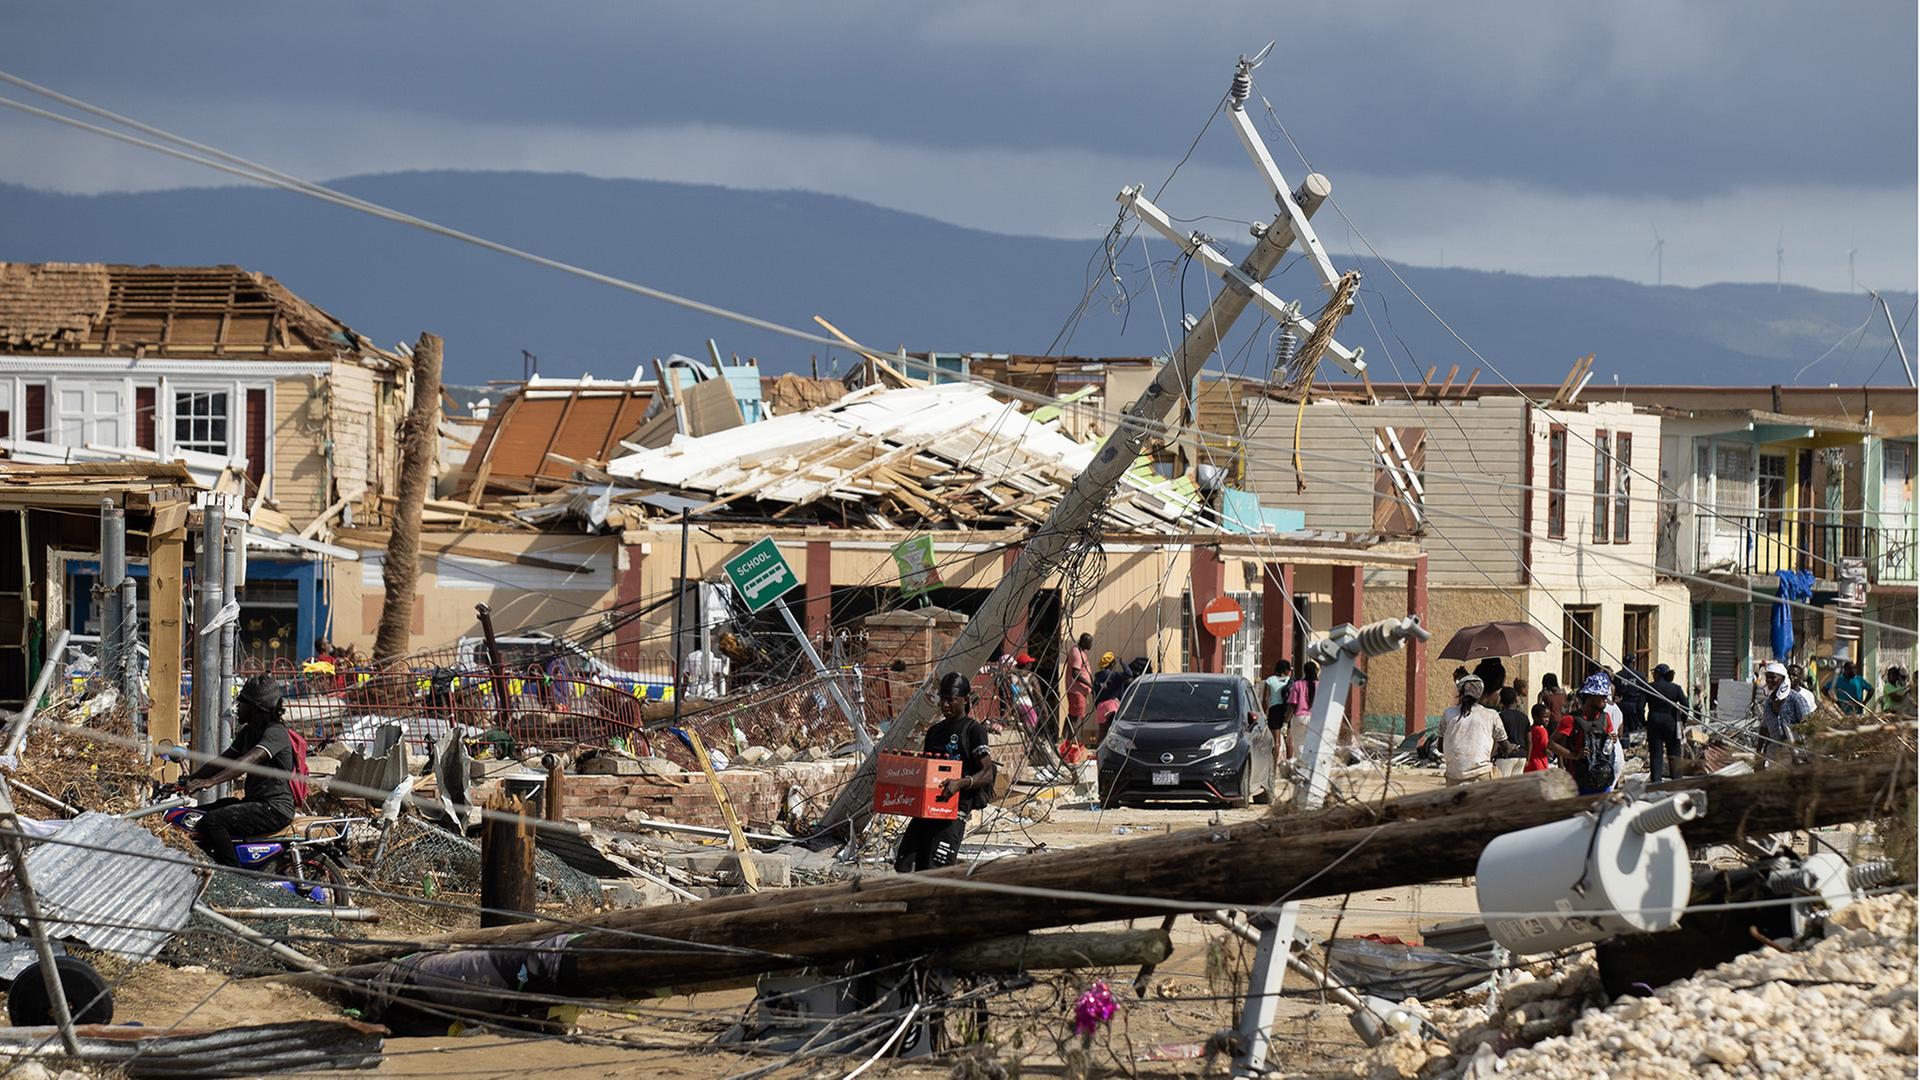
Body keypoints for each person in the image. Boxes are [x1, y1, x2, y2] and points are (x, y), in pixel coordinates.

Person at [175, 676, 299, 867]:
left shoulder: (275, 732)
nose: (238, 708)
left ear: (256, 708)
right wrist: (188, 780)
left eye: (242, 703)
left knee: (213, 821)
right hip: (255, 803)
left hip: (274, 809)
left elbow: (246, 762)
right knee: (194, 814)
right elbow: (222, 761)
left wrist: (210, 782)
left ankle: (233, 876)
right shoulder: (248, 733)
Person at [895, 672, 998, 873]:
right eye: (942, 699)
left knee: (938, 870)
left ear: (965, 700)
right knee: (906, 864)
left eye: (951, 700)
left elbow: (987, 773)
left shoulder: (973, 730)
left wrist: (960, 783)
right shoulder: (934, 731)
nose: (945, 705)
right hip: (926, 811)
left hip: (953, 812)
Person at [1549, 673, 1618, 795]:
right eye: (1602, 697)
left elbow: (1608, 745)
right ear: (1591, 696)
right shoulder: (1570, 720)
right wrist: (1574, 755)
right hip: (1579, 782)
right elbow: (1551, 744)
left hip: (1603, 780)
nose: (1605, 701)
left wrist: (1612, 739)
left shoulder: (1605, 718)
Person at [1439, 674, 1515, 786]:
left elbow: (1440, 747)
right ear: (1481, 694)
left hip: (1453, 776)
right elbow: (1505, 747)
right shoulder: (1491, 715)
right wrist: (1511, 748)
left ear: (1460, 693)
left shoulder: (1448, 713)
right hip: (1481, 774)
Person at [1643, 663, 1690, 784]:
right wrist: (1682, 721)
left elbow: (1639, 707)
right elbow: (1686, 705)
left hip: (1654, 721)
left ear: (1658, 674)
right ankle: (1676, 781)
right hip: (1671, 722)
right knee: (1674, 754)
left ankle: (1656, 782)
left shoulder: (1650, 687)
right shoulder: (1676, 688)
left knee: (1656, 755)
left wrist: (1644, 722)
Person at [1758, 661, 1806, 766]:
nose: (1769, 680)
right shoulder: (1769, 702)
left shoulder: (1795, 699)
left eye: (1773, 677)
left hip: (1795, 754)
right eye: (1767, 677)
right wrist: (1758, 753)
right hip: (1774, 752)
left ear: (1783, 679)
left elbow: (1807, 725)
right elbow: (1764, 728)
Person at [1281, 659, 1319, 763]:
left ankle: (1303, 766)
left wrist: (1285, 723)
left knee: (1300, 745)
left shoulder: (1298, 685)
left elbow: (1292, 705)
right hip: (1315, 718)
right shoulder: (1320, 685)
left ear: (1304, 671)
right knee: (1313, 745)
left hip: (1299, 718)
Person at [1493, 687, 1530, 777]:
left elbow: (1498, 738)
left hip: (1505, 756)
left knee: (1502, 783)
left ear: (1501, 700)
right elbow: (1529, 741)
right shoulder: (1524, 717)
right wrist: (1527, 758)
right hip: (1521, 756)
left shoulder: (1500, 716)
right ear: (1515, 700)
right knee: (1516, 784)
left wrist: (1491, 755)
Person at [1262, 660, 1293, 765]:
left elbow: (1266, 699)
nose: (1289, 672)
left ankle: (1274, 766)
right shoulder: (1289, 680)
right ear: (1285, 670)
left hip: (1274, 711)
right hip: (1286, 711)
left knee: (1276, 742)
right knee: (1288, 740)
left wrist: (1264, 713)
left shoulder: (1270, 680)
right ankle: (1289, 764)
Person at [1065, 633, 1095, 732]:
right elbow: (1075, 673)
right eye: (1090, 642)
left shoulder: (1080, 652)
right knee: (1075, 716)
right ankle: (1070, 739)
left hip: (1080, 691)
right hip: (1076, 691)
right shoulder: (1076, 652)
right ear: (1084, 642)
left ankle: (1066, 738)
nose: (1091, 644)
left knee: (1074, 715)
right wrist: (1089, 684)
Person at [1615, 661, 1648, 747]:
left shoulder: (1618, 675)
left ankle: (1625, 746)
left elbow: (1615, 691)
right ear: (1633, 663)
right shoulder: (1640, 676)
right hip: (1636, 705)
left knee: (1624, 728)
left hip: (1622, 705)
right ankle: (1636, 747)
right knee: (1636, 729)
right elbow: (1645, 691)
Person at [1524, 703, 1553, 773]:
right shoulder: (1542, 731)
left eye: (1548, 717)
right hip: (1540, 766)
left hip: (1529, 766)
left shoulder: (1529, 729)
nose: (1548, 719)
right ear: (1536, 717)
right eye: (1545, 717)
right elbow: (1546, 749)